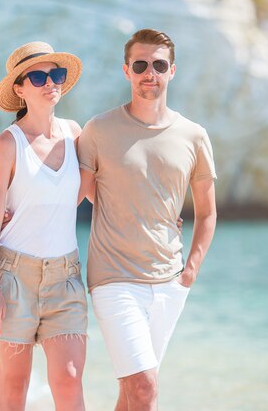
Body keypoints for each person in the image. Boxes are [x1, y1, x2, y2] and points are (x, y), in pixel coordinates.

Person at [77, 29, 217, 411]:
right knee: (144, 388)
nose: (149, 73)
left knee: (132, 392)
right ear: (126, 71)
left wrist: (190, 271)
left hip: (170, 281)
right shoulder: (98, 129)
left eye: (158, 65)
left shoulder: (194, 136)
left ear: (172, 71)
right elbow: (74, 194)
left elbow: (206, 212)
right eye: (140, 65)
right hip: (113, 278)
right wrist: (14, 207)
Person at [0, 41, 88, 411]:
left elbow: (98, 191)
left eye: (55, 74)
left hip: (65, 276)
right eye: (37, 76)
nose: (49, 83)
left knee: (70, 380)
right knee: (14, 387)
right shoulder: (7, 143)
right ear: (20, 89)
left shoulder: (75, 133)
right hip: (12, 278)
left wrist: (159, 215)